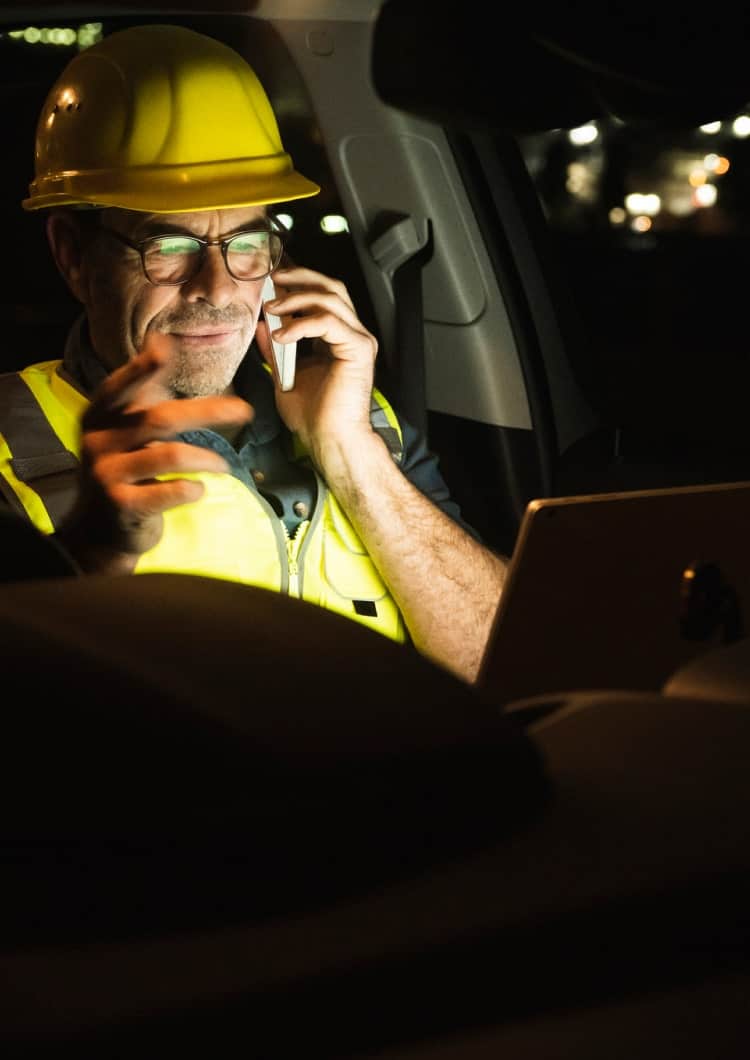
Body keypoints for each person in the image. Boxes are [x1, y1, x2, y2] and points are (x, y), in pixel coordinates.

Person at [0, 23, 507, 684]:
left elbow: (503, 665)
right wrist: (92, 557)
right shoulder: (12, 441)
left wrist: (351, 454)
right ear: (73, 255)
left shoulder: (359, 416)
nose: (217, 289)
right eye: (170, 247)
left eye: (247, 243)